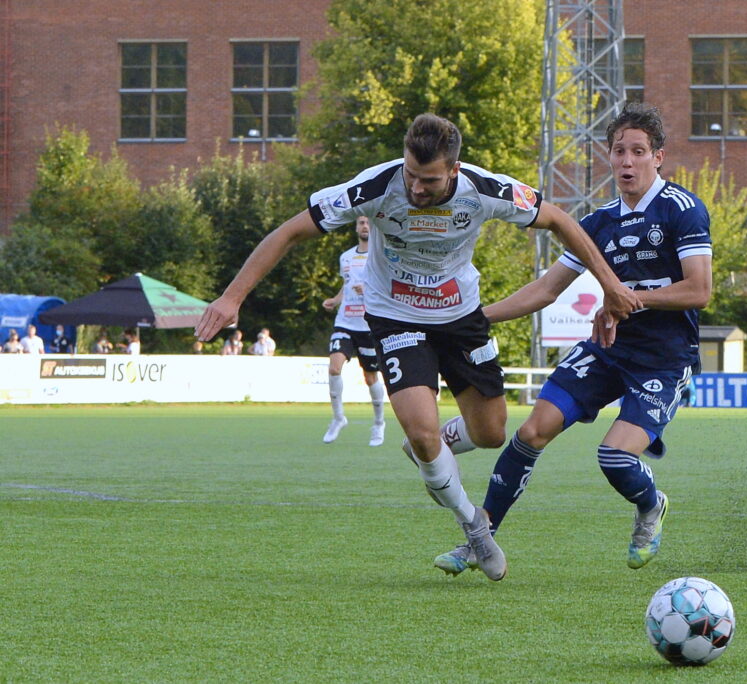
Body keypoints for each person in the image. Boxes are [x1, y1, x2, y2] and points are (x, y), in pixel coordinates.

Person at [194, 112, 640, 582]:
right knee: (424, 434)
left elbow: (560, 221)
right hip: (395, 316)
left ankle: (431, 450)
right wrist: (232, 297)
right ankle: (473, 524)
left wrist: (610, 284)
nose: (416, 188)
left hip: (461, 316)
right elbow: (288, 231)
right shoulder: (374, 187)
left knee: (491, 432)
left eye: (429, 180)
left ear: (454, 170)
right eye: (411, 174)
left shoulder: (485, 190)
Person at [432, 103, 712, 577]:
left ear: (658, 157)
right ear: (609, 156)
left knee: (614, 458)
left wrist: (626, 300)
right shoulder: (598, 223)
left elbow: (699, 290)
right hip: (608, 350)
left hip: (663, 360)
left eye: (638, 151)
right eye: (619, 151)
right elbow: (547, 289)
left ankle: (651, 505)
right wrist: (473, 318)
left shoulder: (682, 209)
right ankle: (480, 540)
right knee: (531, 431)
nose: (627, 161)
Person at [321, 215, 388, 447]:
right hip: (345, 322)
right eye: (361, 223)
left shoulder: (381, 256)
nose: (365, 226)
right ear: (356, 227)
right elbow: (346, 284)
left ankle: (379, 423)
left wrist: (368, 290)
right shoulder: (346, 257)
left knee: (370, 377)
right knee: (334, 367)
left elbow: (388, 287)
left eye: (368, 222)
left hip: (368, 325)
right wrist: (335, 300)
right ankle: (338, 418)